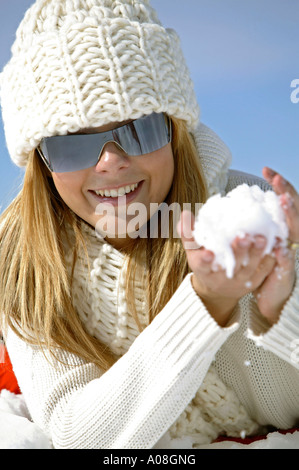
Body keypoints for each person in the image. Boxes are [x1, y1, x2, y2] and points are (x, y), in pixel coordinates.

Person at [0, 0, 298, 449]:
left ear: (175, 129)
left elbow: (281, 410)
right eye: (72, 145)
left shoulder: (249, 216)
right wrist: (204, 304)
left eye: (139, 128)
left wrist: (279, 313)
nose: (112, 162)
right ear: (41, 163)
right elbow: (78, 437)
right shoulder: (24, 261)